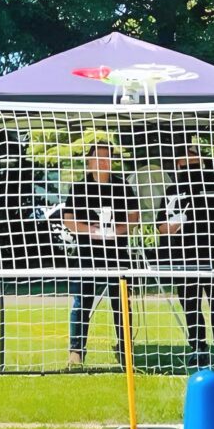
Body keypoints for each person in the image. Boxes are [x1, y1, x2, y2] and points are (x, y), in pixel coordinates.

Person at [158, 134, 214, 365]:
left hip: (211, 253)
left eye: (194, 157)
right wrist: (172, 227)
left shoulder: (213, 185)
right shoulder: (172, 191)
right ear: (177, 163)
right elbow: (161, 225)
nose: (189, 162)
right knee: (190, 304)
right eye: (185, 159)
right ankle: (198, 347)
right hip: (182, 256)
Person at [58, 140, 136, 366]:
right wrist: (91, 230)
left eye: (106, 157)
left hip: (116, 253)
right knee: (81, 303)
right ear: (89, 161)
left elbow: (134, 216)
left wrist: (117, 231)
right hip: (87, 254)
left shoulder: (122, 186)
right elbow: (68, 220)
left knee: (121, 302)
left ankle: (125, 348)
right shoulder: (79, 188)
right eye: (98, 157)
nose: (102, 162)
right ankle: (76, 351)